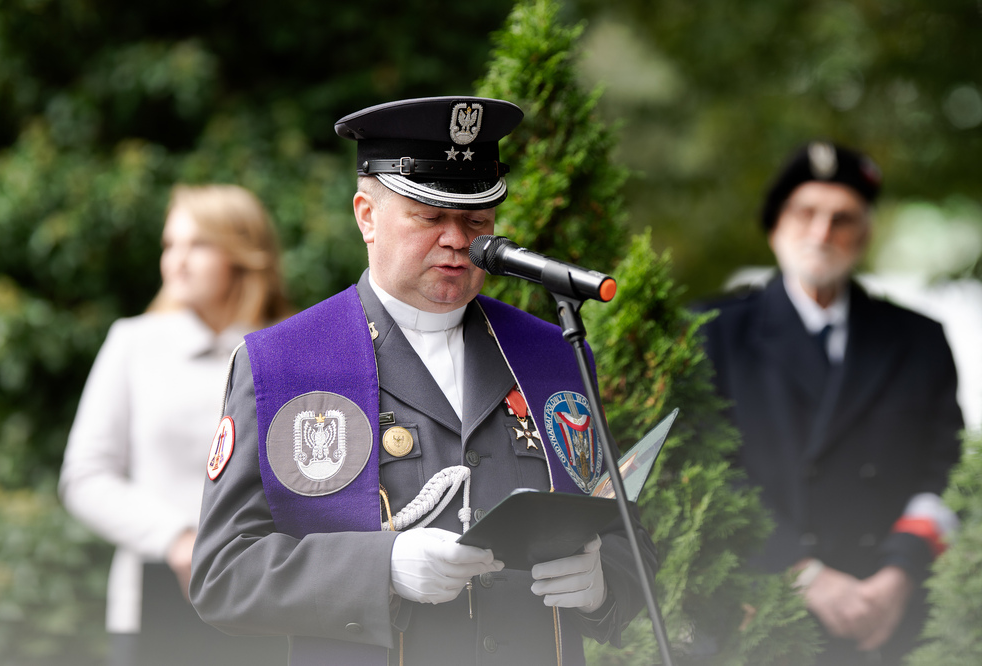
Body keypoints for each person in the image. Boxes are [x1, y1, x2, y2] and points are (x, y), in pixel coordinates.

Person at [190, 96, 656, 665]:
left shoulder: (550, 354)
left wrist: (606, 582)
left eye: (476, 220)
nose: (457, 239)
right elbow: (223, 573)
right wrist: (380, 569)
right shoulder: (283, 363)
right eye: (430, 217)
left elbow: (625, 530)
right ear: (366, 215)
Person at [700, 142, 964, 665]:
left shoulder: (920, 340)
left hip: (887, 621)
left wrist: (901, 573)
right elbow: (702, 473)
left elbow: (949, 474)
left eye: (842, 219)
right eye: (806, 213)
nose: (821, 233)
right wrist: (804, 574)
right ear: (776, 226)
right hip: (760, 616)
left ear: (863, 236)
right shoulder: (711, 333)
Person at [59, 184, 292, 666]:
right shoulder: (133, 343)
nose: (176, 262)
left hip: (267, 599)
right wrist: (177, 539)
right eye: (170, 245)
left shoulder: (290, 348)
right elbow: (85, 476)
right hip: (155, 600)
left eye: (198, 244)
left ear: (243, 254)